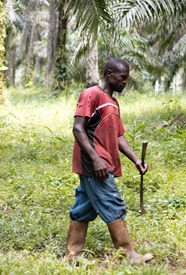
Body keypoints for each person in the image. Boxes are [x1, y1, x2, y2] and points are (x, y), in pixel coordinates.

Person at [65, 58, 153, 263]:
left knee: (83, 206)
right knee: (112, 202)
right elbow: (78, 128)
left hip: (104, 162)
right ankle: (128, 253)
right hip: (94, 163)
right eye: (122, 78)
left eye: (127, 79)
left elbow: (118, 136)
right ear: (109, 74)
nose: (125, 82)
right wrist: (96, 160)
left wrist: (136, 160)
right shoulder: (91, 94)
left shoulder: (112, 102)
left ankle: (72, 255)